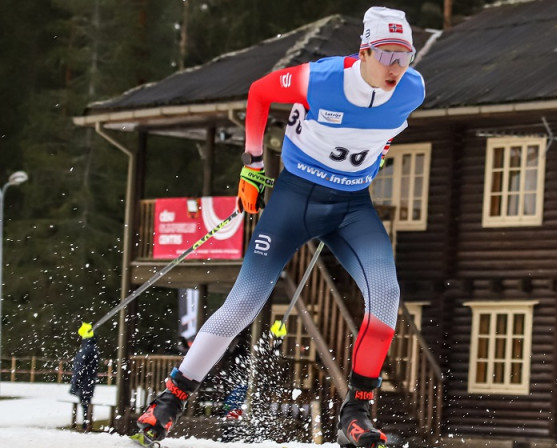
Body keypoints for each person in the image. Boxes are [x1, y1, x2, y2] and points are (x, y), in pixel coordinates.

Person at [137, 6, 425, 447]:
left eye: (404, 56)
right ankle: (171, 399)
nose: (396, 67)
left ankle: (356, 414)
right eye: (386, 55)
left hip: (351, 207)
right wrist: (252, 165)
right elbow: (258, 93)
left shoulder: (412, 90)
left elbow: (387, 129)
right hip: (295, 200)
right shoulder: (323, 79)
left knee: (386, 296)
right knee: (244, 303)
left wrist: (377, 149)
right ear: (364, 51)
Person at [70, 322, 99, 431]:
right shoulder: (92, 348)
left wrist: (75, 382)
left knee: (85, 403)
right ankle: (86, 423)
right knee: (86, 403)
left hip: (84, 382)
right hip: (88, 381)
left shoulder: (86, 349)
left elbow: (79, 368)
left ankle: (86, 424)